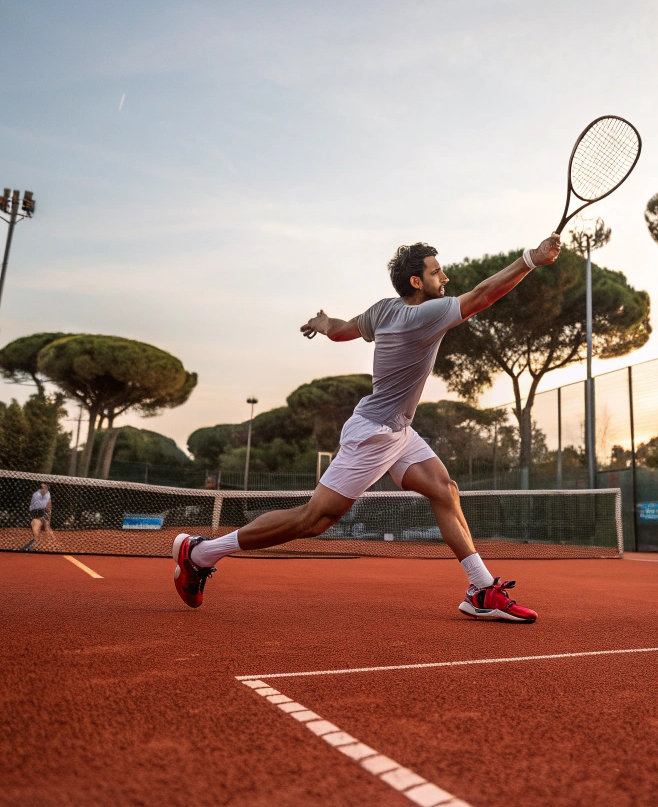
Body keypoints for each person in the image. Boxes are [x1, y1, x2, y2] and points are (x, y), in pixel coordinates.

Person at [172, 234, 561, 620]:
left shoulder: (384, 309)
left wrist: (323, 323)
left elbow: (343, 330)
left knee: (444, 490)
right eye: (436, 272)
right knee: (314, 520)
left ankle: (481, 589)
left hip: (398, 431)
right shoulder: (425, 314)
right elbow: (484, 295)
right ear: (416, 281)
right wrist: (530, 259)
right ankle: (200, 553)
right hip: (374, 434)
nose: (444, 278)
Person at [29, 483, 56, 550]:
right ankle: (35, 543)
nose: (45, 489)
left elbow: (49, 503)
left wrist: (49, 513)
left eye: (46, 488)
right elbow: (39, 506)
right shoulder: (36, 495)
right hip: (35, 511)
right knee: (36, 527)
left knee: (47, 527)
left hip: (44, 511)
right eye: (43, 488)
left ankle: (53, 543)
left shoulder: (48, 493)